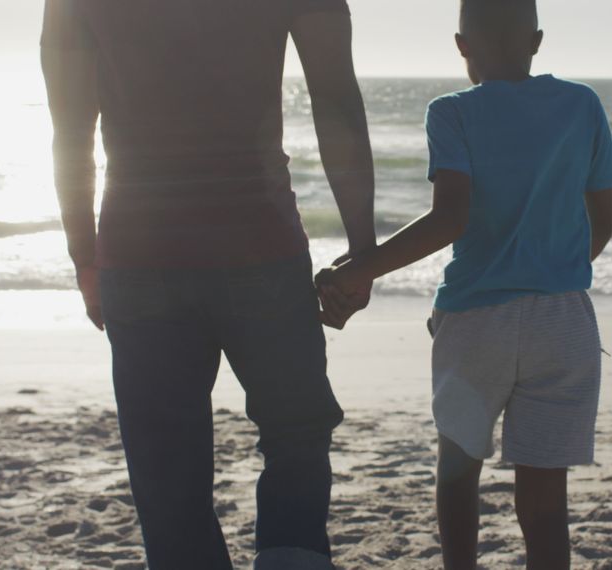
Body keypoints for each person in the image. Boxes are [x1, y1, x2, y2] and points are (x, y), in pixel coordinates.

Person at [40, 0, 375, 568]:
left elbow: (71, 125)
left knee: (165, 465)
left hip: (138, 255)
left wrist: (86, 257)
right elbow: (335, 100)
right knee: (296, 432)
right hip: (261, 248)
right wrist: (363, 250)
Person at [316, 0, 612, 567]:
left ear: (461, 45)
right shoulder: (582, 105)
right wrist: (551, 271)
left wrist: (358, 270)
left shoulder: (451, 112)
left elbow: (449, 218)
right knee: (547, 501)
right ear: (537, 40)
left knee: (458, 476)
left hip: (477, 321)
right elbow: (599, 220)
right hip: (565, 323)